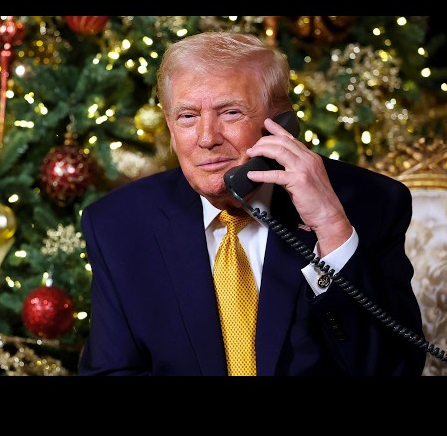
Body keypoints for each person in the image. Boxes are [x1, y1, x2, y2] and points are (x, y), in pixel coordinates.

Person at [77, 31, 426, 376]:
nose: (207, 138)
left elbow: (394, 370)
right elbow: (111, 372)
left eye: (231, 112)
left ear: (282, 122)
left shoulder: (370, 202)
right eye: (187, 116)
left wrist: (331, 227)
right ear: (169, 124)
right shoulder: (118, 224)